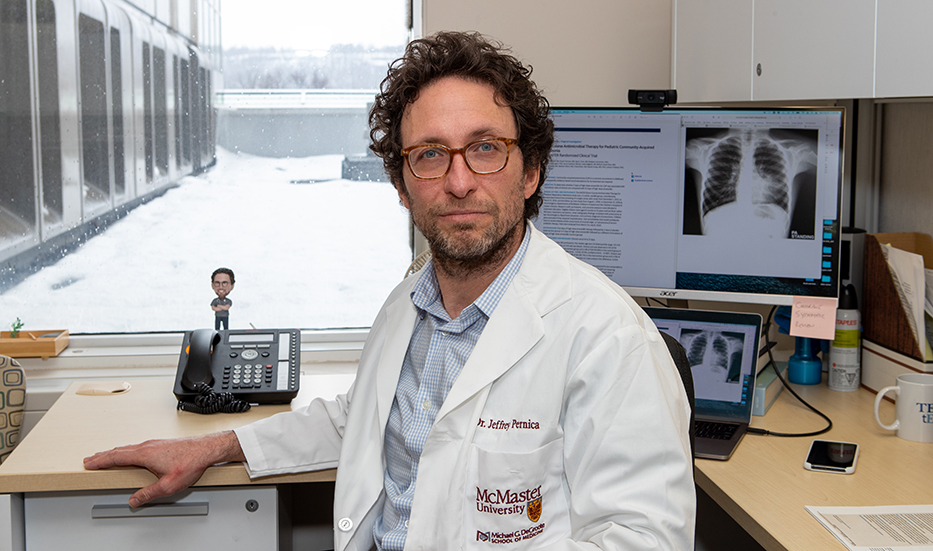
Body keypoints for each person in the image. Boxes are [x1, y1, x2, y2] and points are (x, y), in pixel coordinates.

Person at [84, 31, 695, 551]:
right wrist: (216, 446)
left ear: (530, 171)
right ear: (403, 187)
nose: (458, 181)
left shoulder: (608, 338)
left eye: (485, 148)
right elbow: (362, 421)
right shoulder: (409, 304)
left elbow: (646, 537)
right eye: (430, 155)